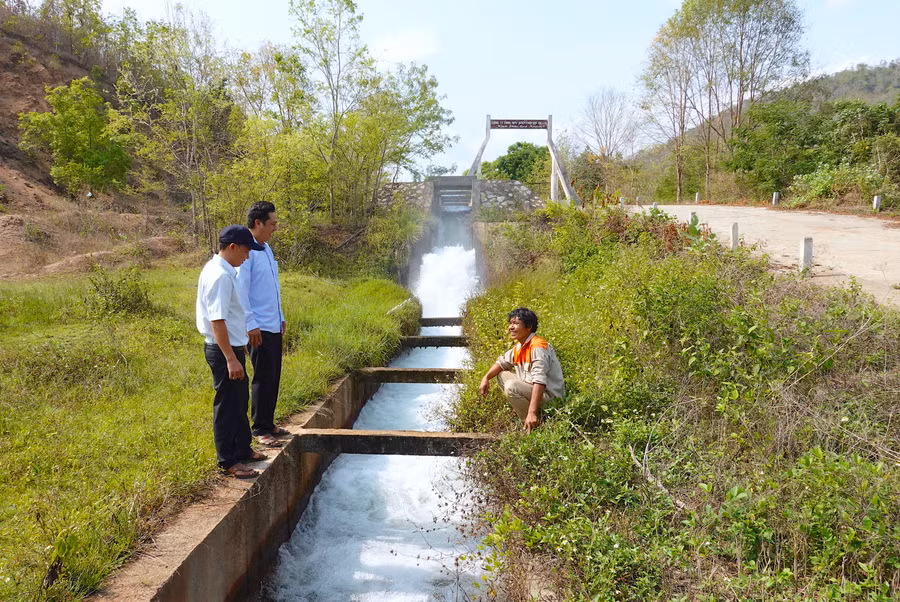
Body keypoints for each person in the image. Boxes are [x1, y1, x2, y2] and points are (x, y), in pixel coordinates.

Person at [196, 225, 267, 478]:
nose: (247, 256)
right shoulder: (220, 276)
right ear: (233, 247)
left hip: (232, 348)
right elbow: (217, 320)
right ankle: (228, 460)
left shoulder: (225, 271)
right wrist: (229, 358)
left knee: (239, 401)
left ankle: (242, 449)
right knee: (226, 405)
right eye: (246, 250)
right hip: (222, 351)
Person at [236, 201, 289, 448]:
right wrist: (250, 323)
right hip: (258, 326)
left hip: (272, 323)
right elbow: (242, 290)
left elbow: (272, 287)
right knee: (262, 376)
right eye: (272, 224)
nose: (274, 229)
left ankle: (268, 422)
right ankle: (259, 428)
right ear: (258, 223)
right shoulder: (246, 253)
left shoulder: (265, 248)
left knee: (273, 375)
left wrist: (280, 317)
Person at [478, 308, 565, 432]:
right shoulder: (519, 347)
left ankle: (531, 425)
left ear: (528, 326)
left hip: (550, 398)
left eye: (515, 323)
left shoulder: (538, 347)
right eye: (510, 323)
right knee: (502, 375)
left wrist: (532, 412)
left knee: (511, 386)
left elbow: (540, 381)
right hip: (532, 388)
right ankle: (523, 409)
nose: (510, 327)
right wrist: (485, 378)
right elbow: (501, 363)